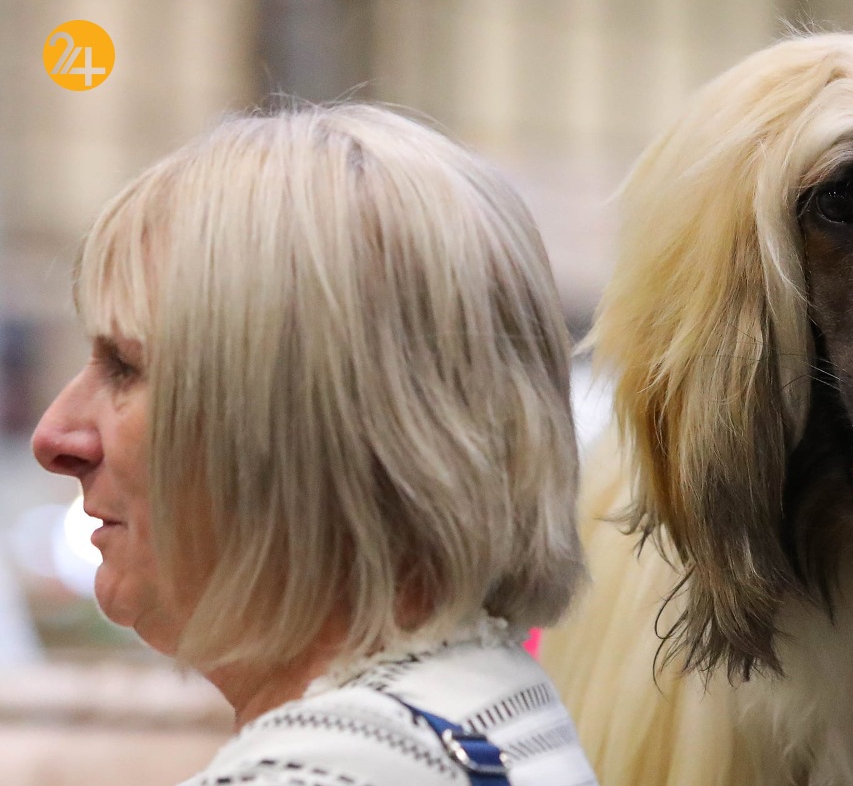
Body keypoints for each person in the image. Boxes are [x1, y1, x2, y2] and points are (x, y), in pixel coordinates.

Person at [31, 103, 598, 786]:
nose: (54, 436)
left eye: (125, 366)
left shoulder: (320, 771)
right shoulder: (498, 710)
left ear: (314, 424)